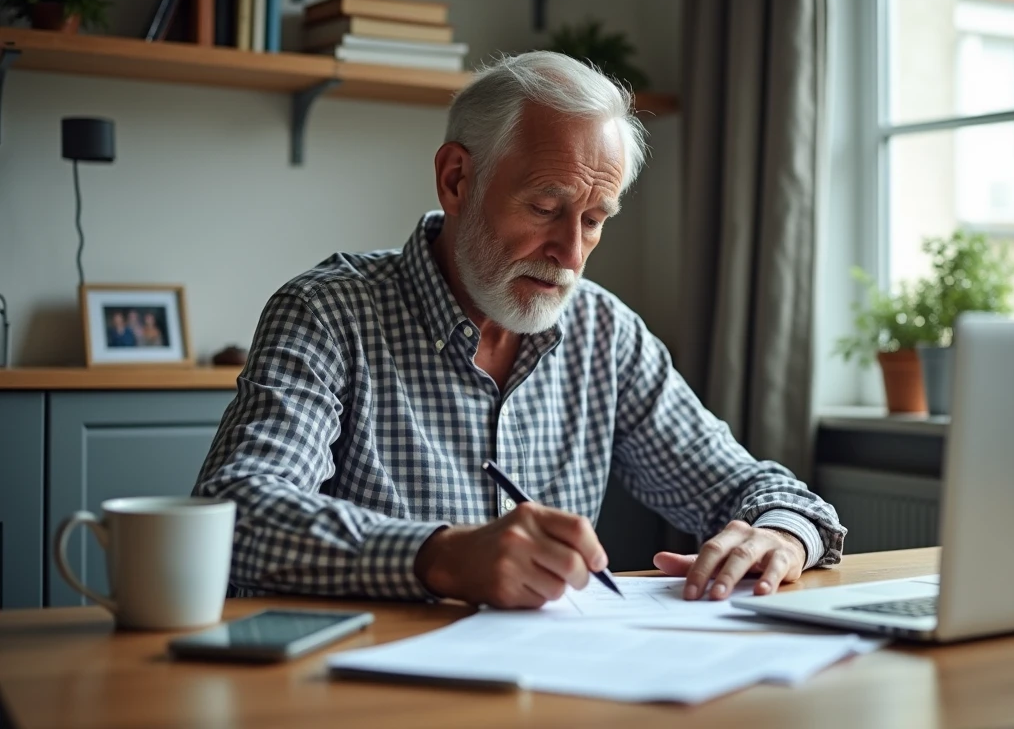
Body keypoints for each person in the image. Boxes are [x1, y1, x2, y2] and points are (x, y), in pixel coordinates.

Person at [193, 51, 845, 609]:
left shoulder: (605, 332)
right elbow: (236, 514)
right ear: (456, 179)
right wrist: (439, 557)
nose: (570, 252)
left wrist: (782, 534)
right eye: (544, 207)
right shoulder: (328, 313)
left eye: (594, 219)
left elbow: (754, 488)